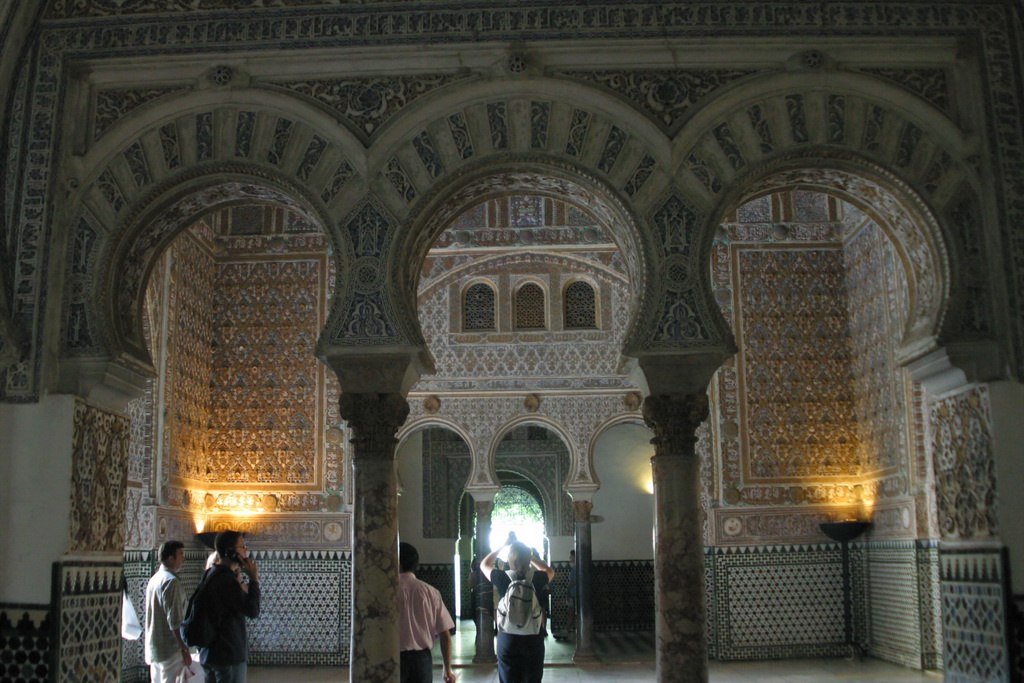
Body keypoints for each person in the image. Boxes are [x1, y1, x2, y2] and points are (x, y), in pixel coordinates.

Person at [481, 534, 554, 683]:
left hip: (508, 637)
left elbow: (484, 564)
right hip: (533, 636)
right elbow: (549, 570)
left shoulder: (502, 578)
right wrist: (530, 557)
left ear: (510, 559)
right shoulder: (537, 578)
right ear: (528, 560)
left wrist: (503, 545)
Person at [201, 530, 261, 683]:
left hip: (211, 652)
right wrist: (253, 579)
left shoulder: (212, 573)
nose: (245, 551)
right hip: (227, 653)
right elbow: (252, 610)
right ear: (230, 552)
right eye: (242, 547)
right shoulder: (226, 580)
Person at [398, 542, 457, 683]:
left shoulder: (384, 591)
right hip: (421, 660)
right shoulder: (431, 592)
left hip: (393, 658)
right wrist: (447, 668)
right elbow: (445, 635)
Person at [144, 540, 191, 683]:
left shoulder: (155, 579)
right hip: (171, 650)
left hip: (156, 648)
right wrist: (184, 649)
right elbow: (175, 620)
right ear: (171, 559)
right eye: (181, 555)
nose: (184, 559)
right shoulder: (171, 582)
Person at [566, 550, 577, 635]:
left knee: (571, 611)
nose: (570, 557)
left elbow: (574, 581)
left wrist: (568, 589)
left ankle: (567, 628)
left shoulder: (576, 569)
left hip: (574, 593)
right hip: (575, 593)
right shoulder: (576, 568)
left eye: (571, 556)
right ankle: (570, 627)